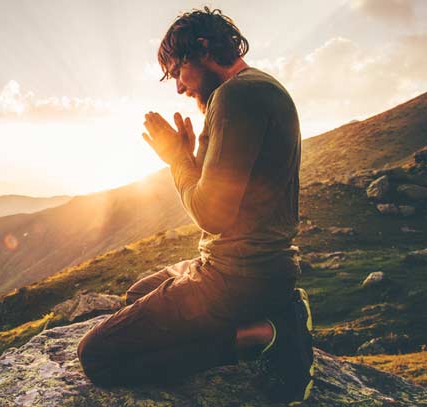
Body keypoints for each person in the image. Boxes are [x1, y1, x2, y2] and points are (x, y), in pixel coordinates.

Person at [76, 7, 314, 405]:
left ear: (202, 49)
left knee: (97, 357)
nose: (179, 89)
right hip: (259, 269)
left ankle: (265, 336)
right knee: (139, 294)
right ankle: (279, 308)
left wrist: (177, 160)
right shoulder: (257, 88)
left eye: (177, 72)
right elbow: (237, 190)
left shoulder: (237, 95)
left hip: (238, 277)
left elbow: (212, 215)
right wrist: (191, 156)